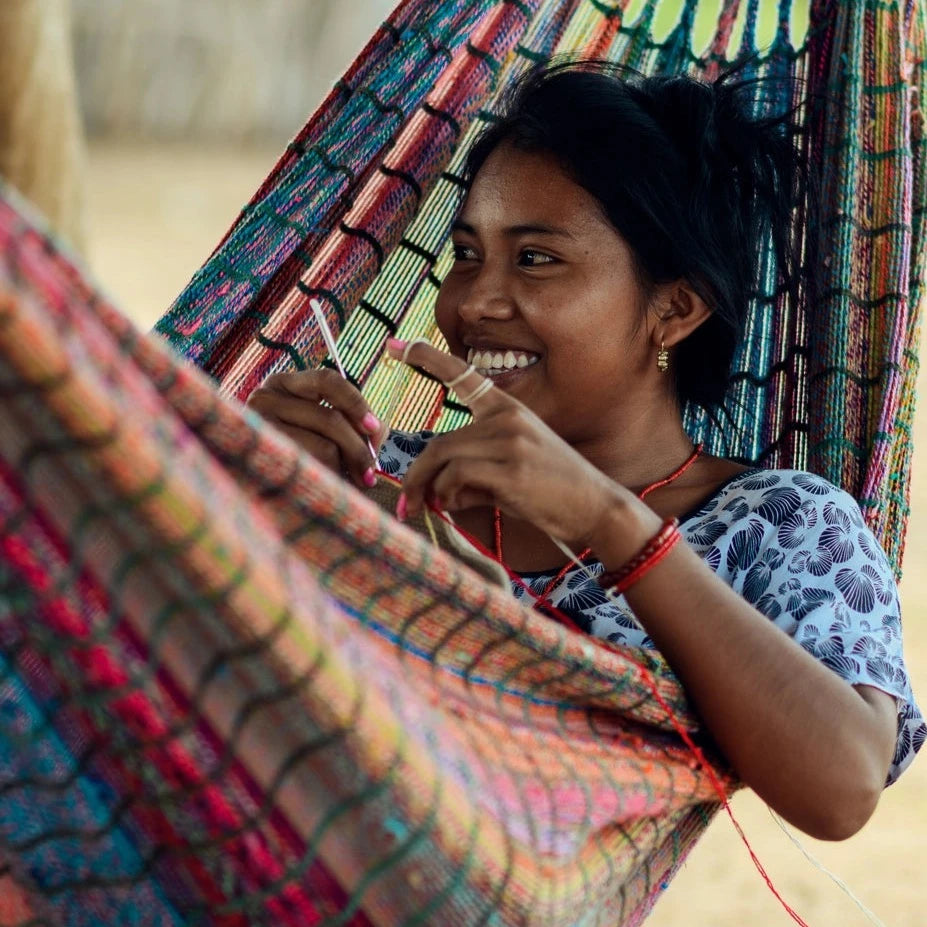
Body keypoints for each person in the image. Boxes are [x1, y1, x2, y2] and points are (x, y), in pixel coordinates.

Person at [247, 61, 923, 840]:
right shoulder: (370, 473)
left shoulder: (775, 524)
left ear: (673, 308)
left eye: (536, 259)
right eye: (466, 255)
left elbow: (840, 789)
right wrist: (247, 477)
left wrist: (612, 520)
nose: (473, 303)